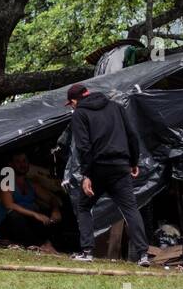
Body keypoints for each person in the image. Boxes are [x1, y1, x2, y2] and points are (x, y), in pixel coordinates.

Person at [63, 84, 149, 265]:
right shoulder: (116, 107)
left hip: (98, 168)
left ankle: (87, 251)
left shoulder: (79, 113)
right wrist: (133, 162)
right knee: (130, 209)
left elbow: (83, 147)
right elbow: (132, 135)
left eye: (71, 104)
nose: (71, 107)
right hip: (120, 166)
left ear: (75, 100)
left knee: (84, 207)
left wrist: (87, 175)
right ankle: (143, 255)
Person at [0, 151, 63, 254]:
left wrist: (55, 210)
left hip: (28, 222)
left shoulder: (31, 184)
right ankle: (41, 245)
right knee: (14, 216)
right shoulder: (6, 182)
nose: (22, 164)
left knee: (50, 218)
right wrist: (35, 214)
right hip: (8, 225)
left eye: (24, 161)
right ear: (11, 164)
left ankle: (48, 243)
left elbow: (51, 198)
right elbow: (9, 205)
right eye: (18, 161)